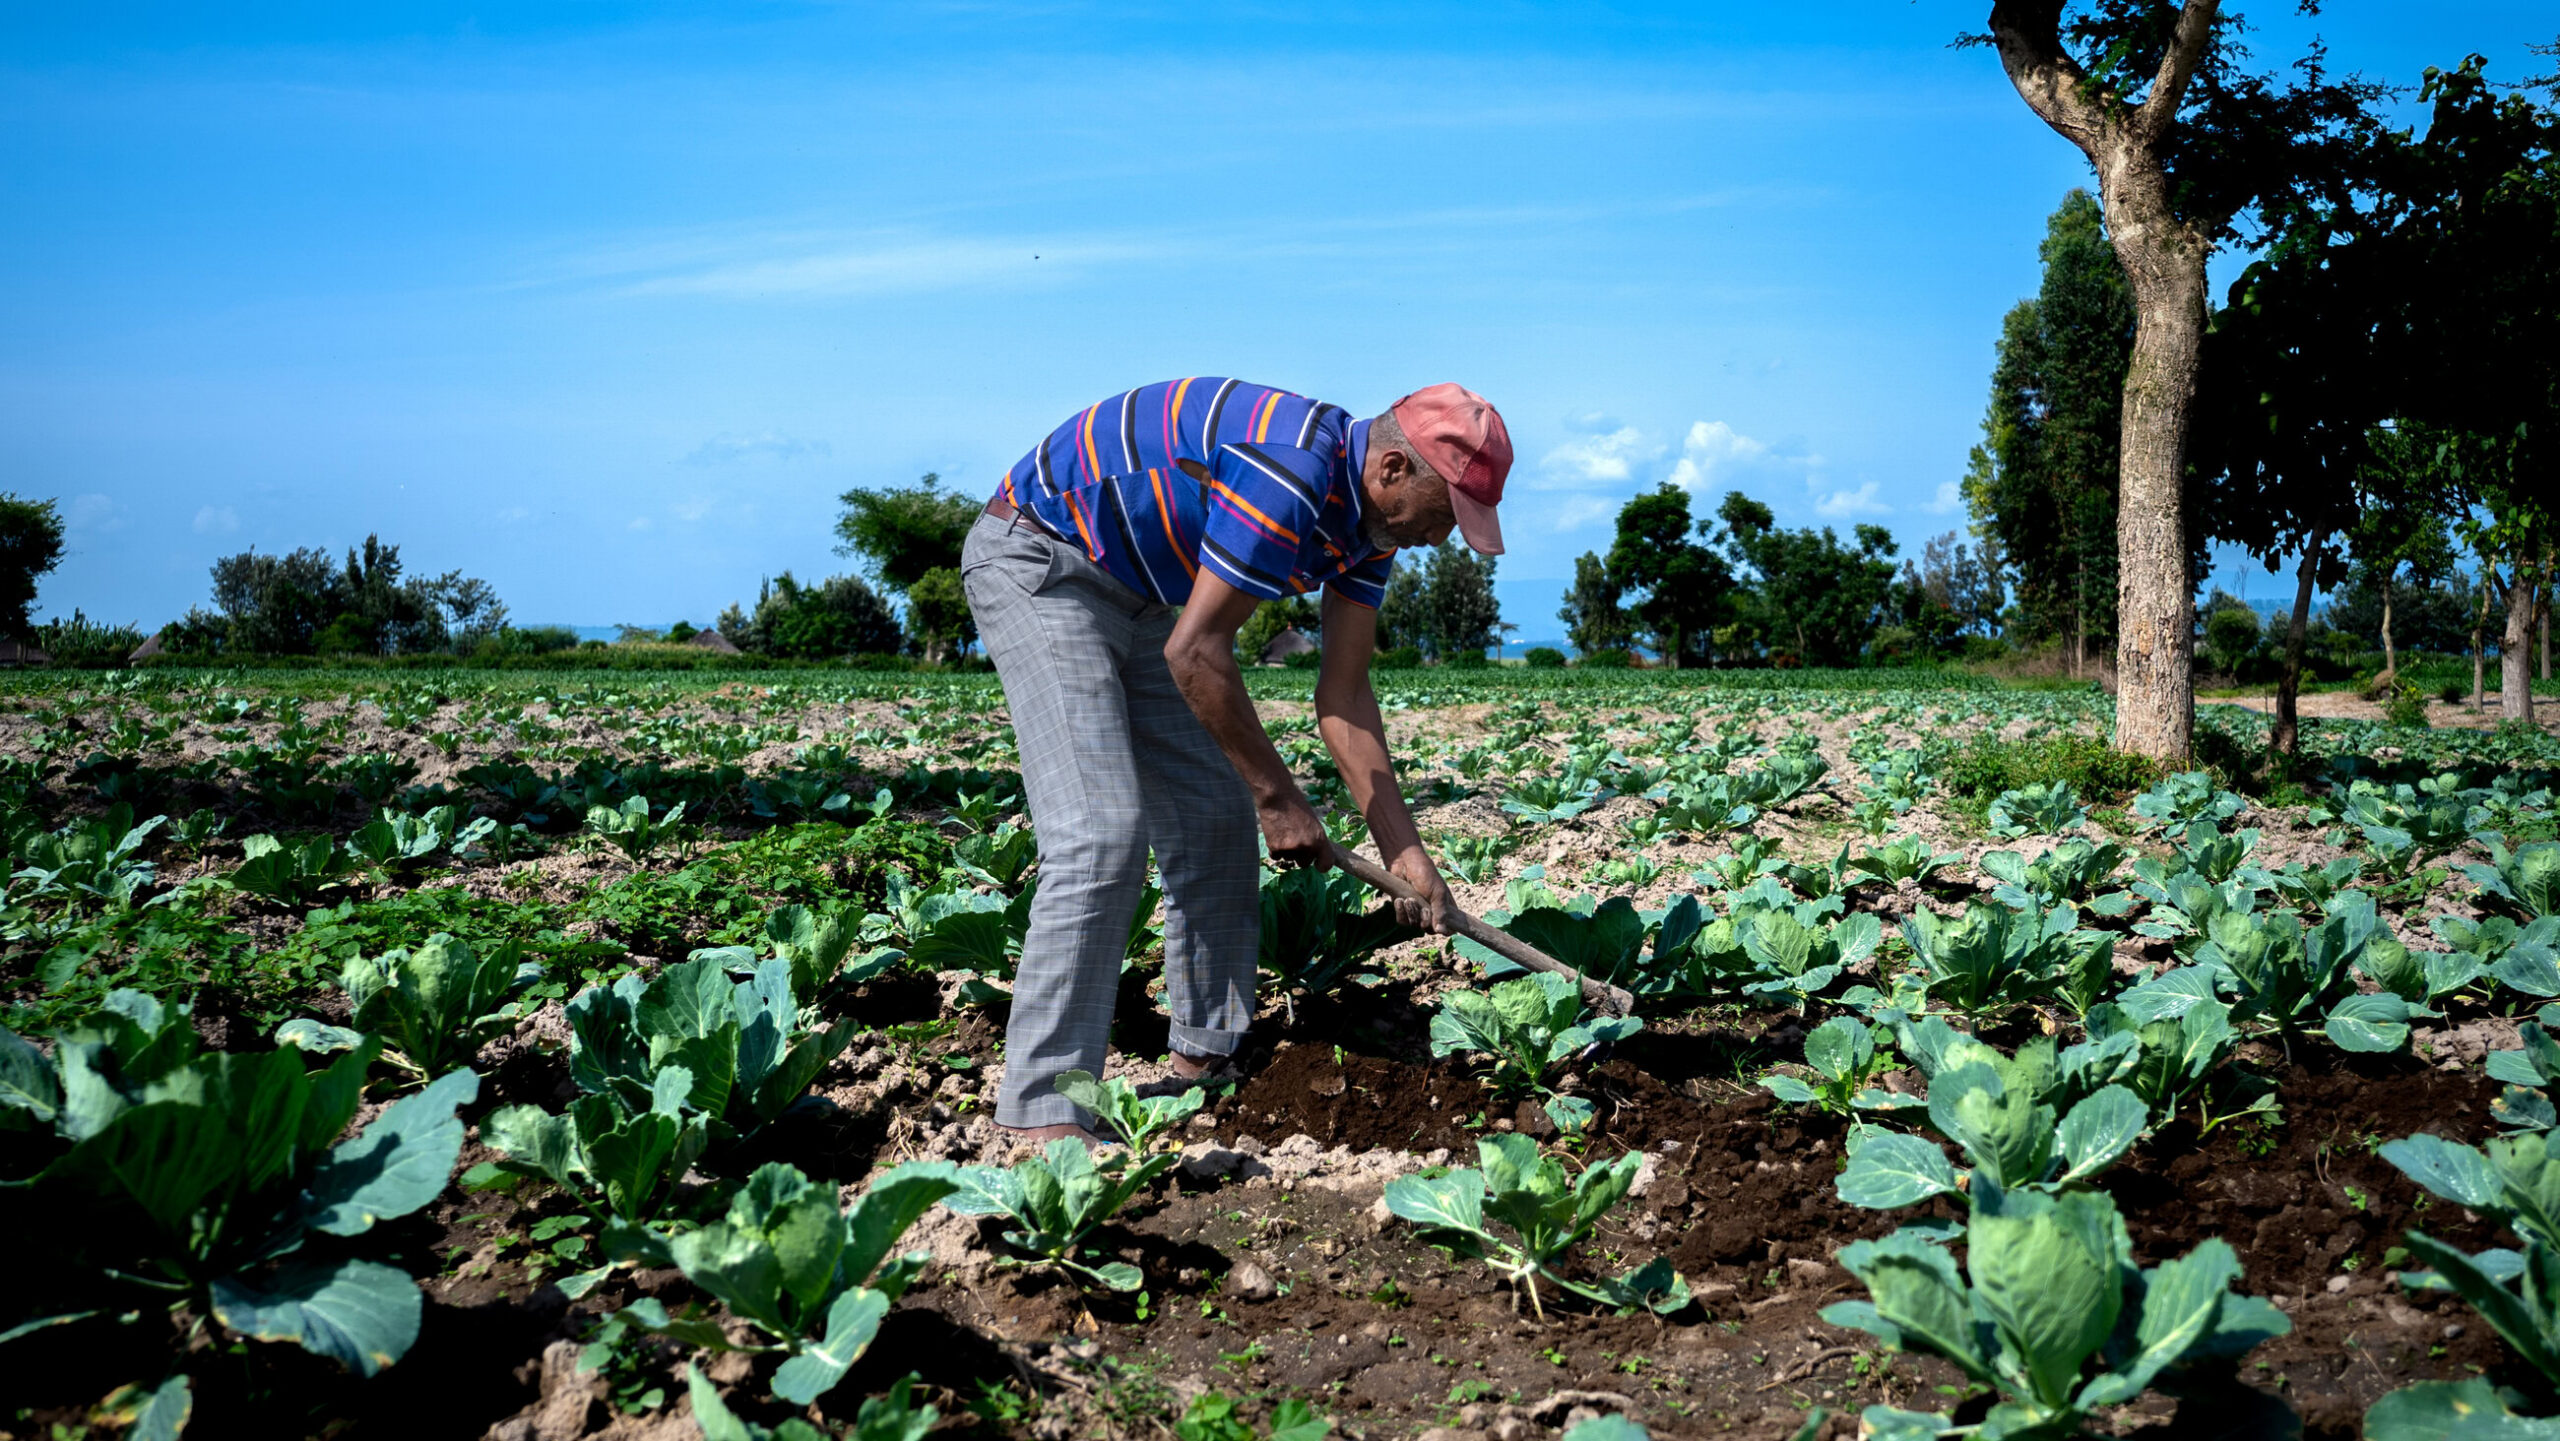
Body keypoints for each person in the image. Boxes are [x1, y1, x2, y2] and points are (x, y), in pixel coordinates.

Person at [959, 378, 1513, 1143]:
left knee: (1213, 819)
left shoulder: (1369, 532)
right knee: (1100, 834)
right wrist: (1278, 796)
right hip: (1043, 560)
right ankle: (1042, 1112)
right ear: (1391, 469)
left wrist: (1405, 851)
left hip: (1148, 595)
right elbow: (1196, 652)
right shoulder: (1287, 475)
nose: (1444, 538)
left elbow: (1345, 694)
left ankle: (1204, 1061)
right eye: (1447, 513)